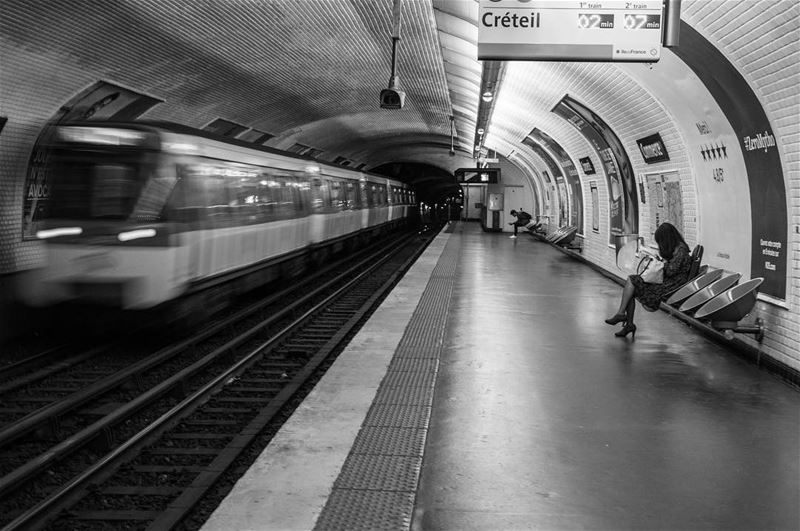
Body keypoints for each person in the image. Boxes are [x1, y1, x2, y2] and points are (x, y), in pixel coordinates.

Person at [605, 222, 692, 338]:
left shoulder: (681, 251)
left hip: (670, 285)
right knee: (631, 285)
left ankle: (623, 316)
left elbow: (671, 271)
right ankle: (627, 322)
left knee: (632, 282)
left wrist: (660, 263)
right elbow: (672, 269)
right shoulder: (679, 248)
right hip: (668, 282)